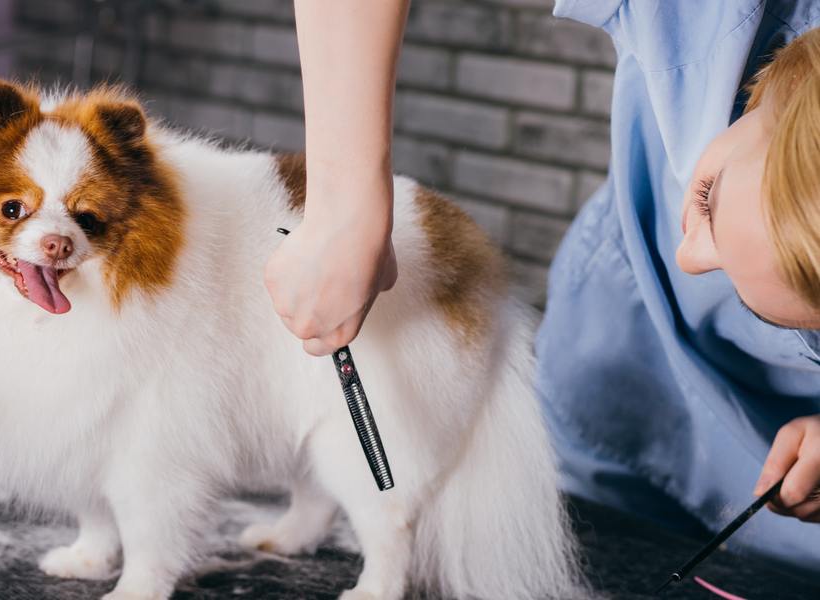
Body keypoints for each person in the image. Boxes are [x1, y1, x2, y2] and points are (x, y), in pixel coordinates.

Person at [268, 0, 820, 573]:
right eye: (706, 197)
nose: (687, 255)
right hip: (615, 374)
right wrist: (344, 198)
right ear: (791, 84)